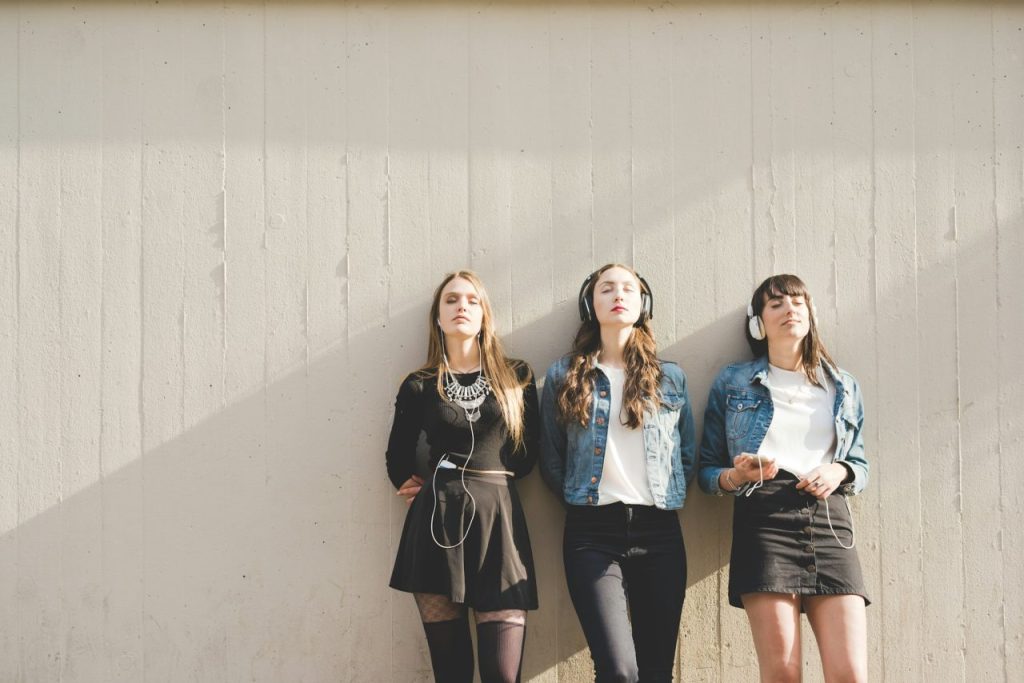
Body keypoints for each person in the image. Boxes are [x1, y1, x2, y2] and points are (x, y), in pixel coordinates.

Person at [698, 274, 869, 683]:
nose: (789, 309)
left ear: (810, 314)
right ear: (758, 323)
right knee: (782, 673)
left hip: (829, 520)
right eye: (775, 304)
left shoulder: (841, 385)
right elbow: (706, 471)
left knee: (849, 673)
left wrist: (838, 469)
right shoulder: (733, 382)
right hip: (764, 519)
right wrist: (736, 476)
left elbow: (860, 465)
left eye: (797, 302)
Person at [539, 263, 696, 683]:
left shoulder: (670, 377)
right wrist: (583, 497)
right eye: (606, 288)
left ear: (643, 304)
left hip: (659, 531)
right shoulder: (563, 375)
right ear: (591, 304)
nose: (618, 295)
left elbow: (687, 455)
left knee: (657, 671)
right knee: (619, 670)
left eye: (628, 288)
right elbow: (552, 458)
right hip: (592, 534)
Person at [386, 270, 540, 683]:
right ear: (438, 317)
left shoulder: (516, 375)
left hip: (499, 522)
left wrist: (485, 483)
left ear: (485, 314)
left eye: (472, 300)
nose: (462, 307)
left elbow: (526, 458)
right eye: (452, 300)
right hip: (437, 525)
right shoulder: (420, 384)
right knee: (451, 675)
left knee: (502, 676)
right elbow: (397, 458)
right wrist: (426, 490)